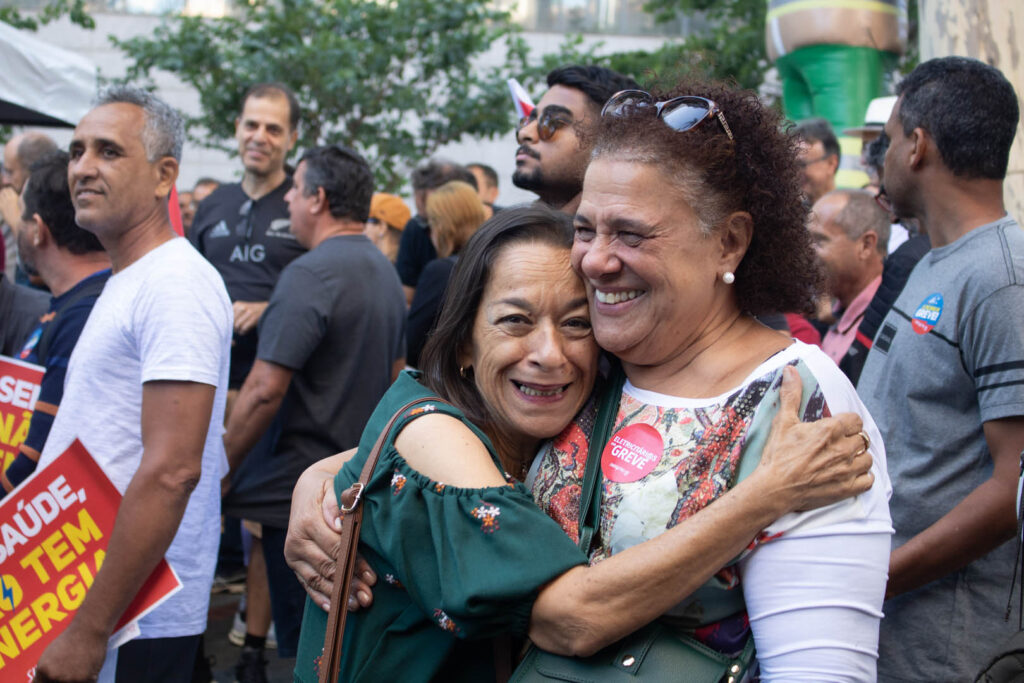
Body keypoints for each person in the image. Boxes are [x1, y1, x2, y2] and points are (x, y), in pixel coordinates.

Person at [286, 192, 879, 682]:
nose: (549, 354)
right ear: (464, 343)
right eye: (515, 321)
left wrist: (319, 475)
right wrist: (766, 495)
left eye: (576, 324)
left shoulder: (557, 428)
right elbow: (570, 619)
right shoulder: (433, 433)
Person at [32, 86, 232, 682]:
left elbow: (174, 470)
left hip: (132, 621)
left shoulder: (175, 283)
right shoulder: (134, 277)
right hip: (85, 597)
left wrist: (90, 630)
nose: (83, 168)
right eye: (76, 151)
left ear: (164, 175)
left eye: (109, 151)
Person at [857, 56, 1024, 681]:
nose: (884, 157)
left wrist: (875, 580)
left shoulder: (1002, 279)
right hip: (888, 629)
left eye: (890, 139)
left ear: (918, 146)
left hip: (950, 651)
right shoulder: (936, 259)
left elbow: (1013, 488)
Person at [223, 144, 406, 675]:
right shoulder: (383, 269)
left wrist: (221, 468)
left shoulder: (309, 274)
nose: (286, 199)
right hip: (355, 486)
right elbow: (398, 377)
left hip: (299, 495)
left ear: (318, 198)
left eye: (294, 189)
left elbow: (263, 389)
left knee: (307, 654)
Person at [188, 82, 304, 675]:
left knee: (259, 528)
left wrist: (271, 307)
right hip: (201, 388)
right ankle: (188, 641)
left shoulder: (301, 202)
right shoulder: (214, 204)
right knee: (190, 514)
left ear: (291, 138)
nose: (260, 137)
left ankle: (253, 652)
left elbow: (316, 284)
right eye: (251, 125)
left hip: (270, 393)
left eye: (273, 128)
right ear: (237, 129)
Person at [2, 151, 111, 496]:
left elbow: (39, 454)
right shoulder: (73, 304)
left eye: (20, 216)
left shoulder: (83, 314)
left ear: (37, 230)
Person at [513, 65, 638, 214]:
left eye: (552, 122)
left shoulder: (638, 225)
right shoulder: (514, 225)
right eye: (528, 120)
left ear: (611, 141)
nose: (525, 133)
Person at [406, 180, 486, 368]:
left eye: (431, 223)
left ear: (443, 226)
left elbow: (412, 346)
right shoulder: (493, 261)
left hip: (449, 378)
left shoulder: (441, 271)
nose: (430, 232)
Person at [810, 189, 889, 368]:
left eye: (820, 241)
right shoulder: (837, 313)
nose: (807, 252)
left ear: (866, 245)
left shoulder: (882, 327)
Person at [394, 158, 476, 304]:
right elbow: (406, 294)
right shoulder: (416, 228)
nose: (432, 230)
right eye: (427, 220)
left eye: (436, 218)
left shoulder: (495, 231)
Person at [0, 132, 58, 280]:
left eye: (10, 172)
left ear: (33, 172)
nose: (5, 181)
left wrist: (16, 222)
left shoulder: (58, 209)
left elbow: (38, 276)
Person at [795, 118, 840, 204]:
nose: (794, 172)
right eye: (790, 165)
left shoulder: (851, 210)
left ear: (831, 164)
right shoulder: (787, 210)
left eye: (801, 164)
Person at [363, 192, 410, 263]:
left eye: (365, 220)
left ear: (382, 227)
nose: (361, 226)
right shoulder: (407, 262)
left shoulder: (380, 265)